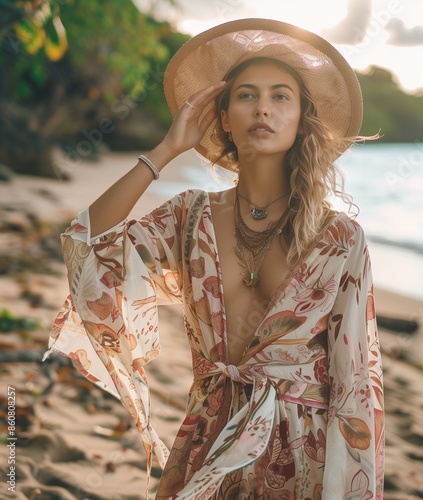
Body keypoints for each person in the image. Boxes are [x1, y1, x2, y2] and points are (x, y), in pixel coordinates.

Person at [45, 18, 384, 499]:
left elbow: (356, 384)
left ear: (300, 118)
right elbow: (87, 245)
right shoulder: (189, 216)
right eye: (246, 95)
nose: (262, 108)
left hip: (302, 453)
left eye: (280, 96)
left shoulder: (340, 238)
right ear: (223, 116)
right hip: (208, 435)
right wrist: (164, 151)